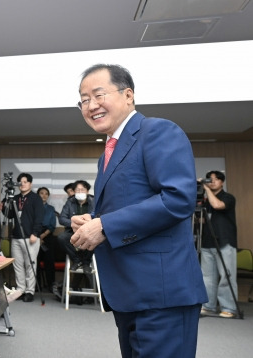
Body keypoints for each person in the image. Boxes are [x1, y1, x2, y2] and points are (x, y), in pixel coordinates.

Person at [70, 64, 207, 357]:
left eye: (98, 95)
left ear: (128, 95)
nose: (90, 106)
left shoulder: (158, 131)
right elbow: (130, 207)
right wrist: (93, 221)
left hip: (162, 293)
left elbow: (177, 199)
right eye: (83, 100)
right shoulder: (108, 152)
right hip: (129, 293)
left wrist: (104, 226)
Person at [200, 170, 238, 319]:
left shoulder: (228, 197)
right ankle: (208, 306)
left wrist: (207, 189)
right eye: (209, 179)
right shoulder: (205, 200)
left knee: (226, 276)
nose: (212, 182)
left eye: (215, 179)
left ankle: (229, 308)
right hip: (208, 242)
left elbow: (217, 205)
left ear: (222, 182)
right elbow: (202, 220)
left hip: (225, 241)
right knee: (207, 278)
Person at [4, 173, 44, 302]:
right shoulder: (14, 198)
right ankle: (20, 289)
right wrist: (3, 207)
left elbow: (39, 217)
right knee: (18, 265)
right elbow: (10, 216)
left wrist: (35, 233)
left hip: (30, 236)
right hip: (16, 236)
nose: (22, 184)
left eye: (25, 182)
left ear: (30, 184)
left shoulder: (36, 198)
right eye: (20, 182)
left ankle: (29, 291)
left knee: (30, 264)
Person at [58, 180, 95, 274]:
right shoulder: (69, 202)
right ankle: (77, 260)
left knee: (95, 237)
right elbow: (62, 219)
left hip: (89, 230)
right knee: (61, 238)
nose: (80, 192)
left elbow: (98, 216)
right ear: (74, 192)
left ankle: (86, 262)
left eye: (82, 190)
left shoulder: (94, 201)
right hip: (72, 230)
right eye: (77, 190)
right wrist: (74, 223)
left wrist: (87, 224)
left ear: (87, 191)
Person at [36, 187, 58, 291]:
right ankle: (37, 286)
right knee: (35, 262)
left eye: (46, 194)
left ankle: (50, 285)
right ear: (37, 195)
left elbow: (52, 225)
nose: (44, 195)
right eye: (41, 193)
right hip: (34, 235)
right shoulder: (33, 208)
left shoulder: (51, 209)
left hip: (47, 236)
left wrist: (42, 236)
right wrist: (37, 237)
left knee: (49, 262)